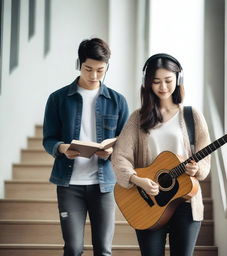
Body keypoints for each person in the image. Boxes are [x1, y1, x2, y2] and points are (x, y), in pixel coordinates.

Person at [111, 53, 211, 256]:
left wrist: (196, 168)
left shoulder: (192, 116)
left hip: (186, 204)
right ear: (147, 84)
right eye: (156, 82)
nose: (163, 87)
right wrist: (137, 180)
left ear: (178, 80)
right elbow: (120, 156)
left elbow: (205, 162)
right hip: (148, 201)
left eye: (168, 80)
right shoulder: (138, 118)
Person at [43, 38, 129, 256]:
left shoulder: (118, 101)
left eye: (100, 70)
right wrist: (62, 148)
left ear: (107, 67)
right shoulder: (58, 99)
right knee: (73, 249)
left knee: (104, 250)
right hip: (69, 184)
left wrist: (112, 150)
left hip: (104, 185)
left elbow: (126, 142)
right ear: (78, 64)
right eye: (88, 69)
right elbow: (49, 138)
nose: (93, 76)